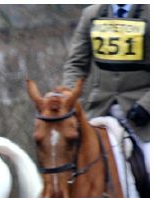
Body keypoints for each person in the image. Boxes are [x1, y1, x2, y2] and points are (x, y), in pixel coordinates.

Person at [62, 4, 150, 143]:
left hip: (142, 115)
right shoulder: (91, 14)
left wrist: (147, 105)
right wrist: (70, 99)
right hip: (99, 109)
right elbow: (76, 64)